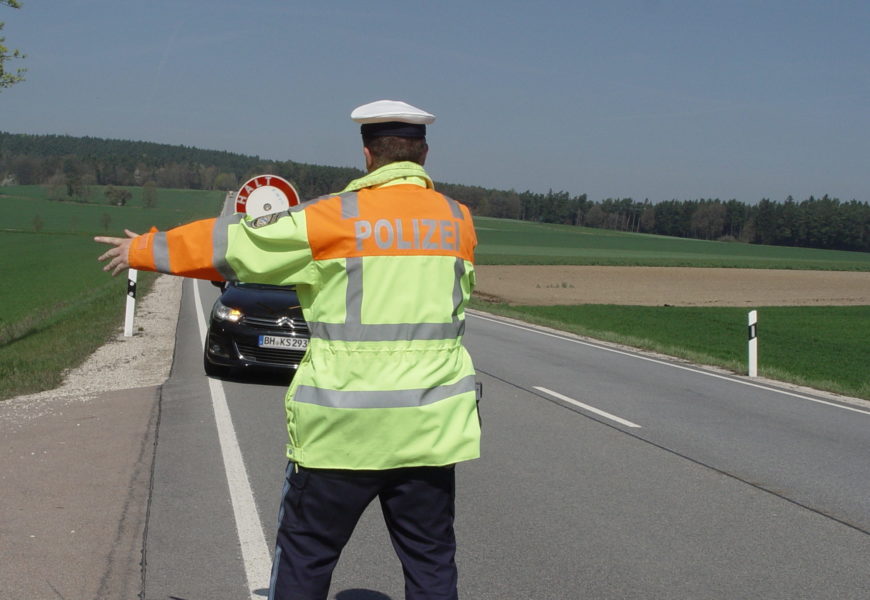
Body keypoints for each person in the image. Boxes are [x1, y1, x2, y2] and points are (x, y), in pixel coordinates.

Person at [95, 99, 481, 599]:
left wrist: (145, 249)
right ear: (423, 153)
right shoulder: (459, 222)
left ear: (367, 155)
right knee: (431, 562)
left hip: (342, 430)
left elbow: (235, 246)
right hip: (430, 429)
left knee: (305, 557)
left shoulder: (332, 219)